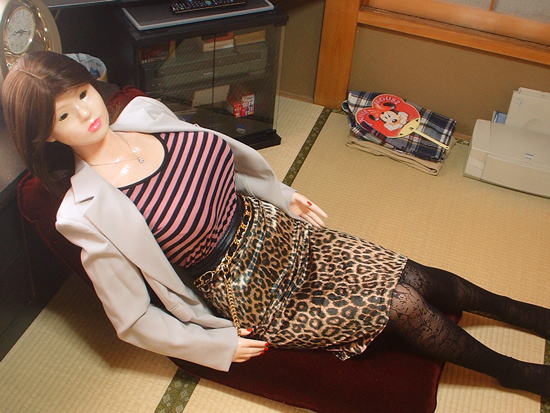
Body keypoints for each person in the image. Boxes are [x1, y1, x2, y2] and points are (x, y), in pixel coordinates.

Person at [3, 51, 549, 397]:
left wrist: (282, 194)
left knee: (415, 275)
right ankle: (514, 372)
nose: (86, 113)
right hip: (251, 291)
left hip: (280, 232)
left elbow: (228, 168)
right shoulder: (84, 212)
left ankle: (519, 310)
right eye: (64, 114)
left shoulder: (145, 115)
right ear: (46, 134)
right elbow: (130, 319)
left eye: (82, 93)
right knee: (401, 302)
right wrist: (210, 346)